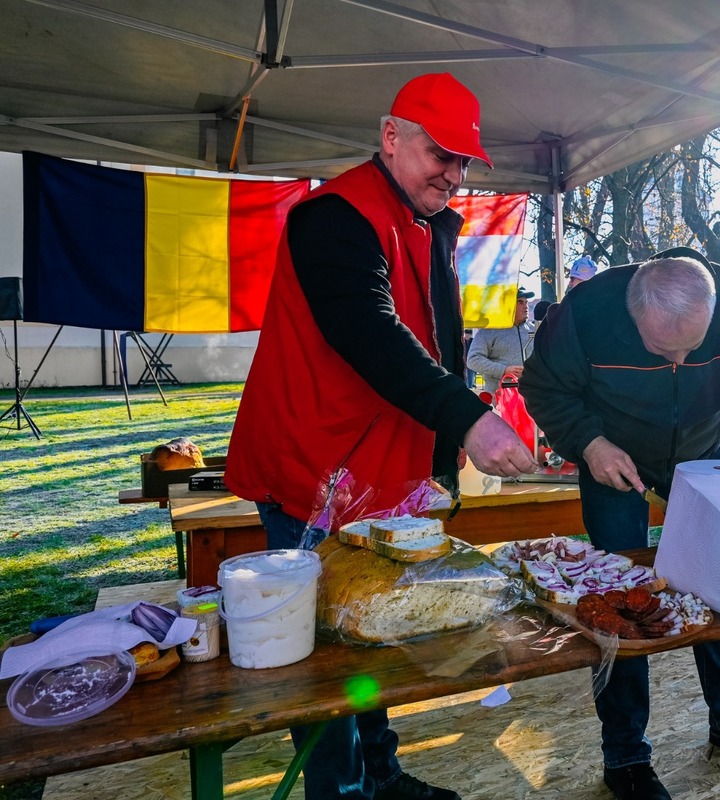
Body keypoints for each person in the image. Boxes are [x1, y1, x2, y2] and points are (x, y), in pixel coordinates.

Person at [224, 72, 538, 800]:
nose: (453, 175)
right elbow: (367, 330)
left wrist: (440, 458)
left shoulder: (428, 223)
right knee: (322, 657)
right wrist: (466, 417)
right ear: (390, 138)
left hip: (381, 471)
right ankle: (340, 790)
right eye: (440, 154)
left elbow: (437, 344)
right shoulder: (332, 216)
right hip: (313, 468)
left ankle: (382, 775)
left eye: (463, 162)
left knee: (372, 629)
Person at [520, 247, 720, 800]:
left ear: (712, 312)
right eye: (661, 349)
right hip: (613, 460)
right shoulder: (587, 310)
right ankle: (625, 754)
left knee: (715, 586)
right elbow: (544, 387)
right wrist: (589, 443)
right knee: (617, 605)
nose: (678, 359)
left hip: (701, 458)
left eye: (691, 348)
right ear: (633, 314)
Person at [466, 289, 535, 394]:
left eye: (526, 302)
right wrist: (503, 370)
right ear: (507, 305)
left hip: (530, 396)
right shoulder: (489, 330)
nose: (526, 306)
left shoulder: (533, 330)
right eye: (520, 302)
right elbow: (473, 360)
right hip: (498, 397)